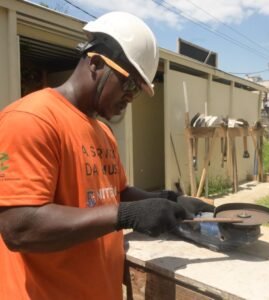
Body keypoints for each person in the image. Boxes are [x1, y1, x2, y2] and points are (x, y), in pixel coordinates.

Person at [0, 11, 213, 300]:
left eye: (137, 90)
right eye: (128, 84)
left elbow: (117, 192)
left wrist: (167, 200)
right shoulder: (31, 119)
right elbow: (19, 228)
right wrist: (126, 216)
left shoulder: (102, 131)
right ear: (97, 63)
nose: (130, 97)